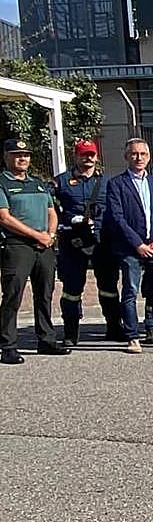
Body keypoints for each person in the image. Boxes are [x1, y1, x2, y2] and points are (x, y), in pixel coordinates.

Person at [104, 138, 153, 353]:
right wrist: (137, 244)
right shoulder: (117, 184)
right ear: (126, 156)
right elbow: (117, 218)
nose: (139, 158)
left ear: (148, 158)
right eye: (134, 154)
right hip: (130, 248)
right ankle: (132, 336)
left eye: (143, 154)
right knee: (130, 291)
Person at [0, 138, 70, 363]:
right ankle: (8, 346)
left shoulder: (38, 183)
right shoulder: (2, 182)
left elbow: (52, 212)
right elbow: (4, 217)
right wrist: (36, 235)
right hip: (17, 246)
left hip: (44, 246)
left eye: (26, 155)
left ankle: (46, 340)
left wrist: (50, 235)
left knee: (45, 294)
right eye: (17, 155)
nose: (22, 158)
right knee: (13, 295)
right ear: (6, 157)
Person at [52, 138, 121, 344]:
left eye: (91, 154)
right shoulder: (61, 182)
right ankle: (70, 333)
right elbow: (49, 208)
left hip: (102, 242)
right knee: (71, 290)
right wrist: (65, 222)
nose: (88, 158)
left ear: (97, 156)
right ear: (75, 156)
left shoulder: (108, 182)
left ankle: (114, 328)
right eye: (84, 154)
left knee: (109, 288)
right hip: (72, 242)